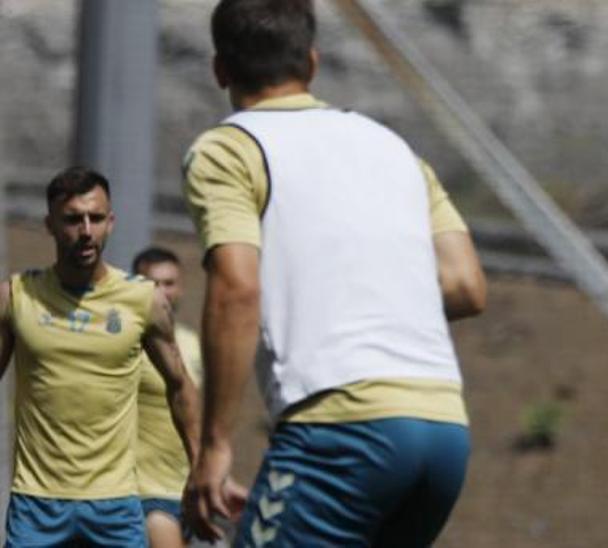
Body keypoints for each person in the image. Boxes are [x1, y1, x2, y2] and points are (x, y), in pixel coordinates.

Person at [182, 0, 487, 544]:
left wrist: (215, 445)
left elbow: (235, 289)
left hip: (343, 427)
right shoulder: (393, 148)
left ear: (220, 70)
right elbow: (466, 285)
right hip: (443, 430)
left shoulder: (228, 149)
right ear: (313, 62)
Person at [0, 167, 200, 546]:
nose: (86, 230)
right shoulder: (17, 296)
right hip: (37, 504)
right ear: (51, 224)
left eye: (96, 218)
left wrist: (201, 466)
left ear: (111, 222)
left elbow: (180, 386)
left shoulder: (143, 300)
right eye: (73, 219)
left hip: (115, 505)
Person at [132, 247, 203, 548]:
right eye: (152, 283)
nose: (162, 292)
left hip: (188, 490)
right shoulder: (126, 346)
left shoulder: (192, 343)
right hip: (145, 490)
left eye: (169, 283)